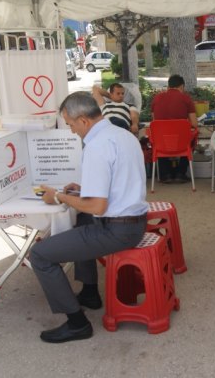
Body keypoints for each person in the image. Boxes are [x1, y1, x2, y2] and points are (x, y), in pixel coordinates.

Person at [30, 92, 148, 343]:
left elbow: (97, 206)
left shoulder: (96, 146)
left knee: (39, 255)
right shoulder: (122, 134)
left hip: (117, 230)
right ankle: (90, 292)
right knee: (81, 220)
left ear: (83, 120)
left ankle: (77, 323)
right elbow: (118, 184)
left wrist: (59, 196)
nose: (71, 131)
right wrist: (82, 190)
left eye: (70, 124)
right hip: (133, 221)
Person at [150, 74, 198, 183]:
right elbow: (194, 124)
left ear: (168, 86)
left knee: (157, 139)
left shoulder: (156, 98)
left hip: (161, 143)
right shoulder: (186, 98)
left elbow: (154, 121)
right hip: (181, 142)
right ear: (182, 87)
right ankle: (181, 173)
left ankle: (165, 174)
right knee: (192, 139)